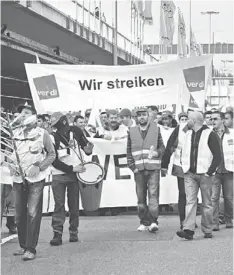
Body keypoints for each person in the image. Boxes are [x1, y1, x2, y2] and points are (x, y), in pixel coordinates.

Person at [9, 104, 55, 261]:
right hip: (17, 179)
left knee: (32, 213)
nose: (23, 115)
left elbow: (51, 154)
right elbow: (9, 154)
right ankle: (23, 246)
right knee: (19, 214)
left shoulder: (43, 134)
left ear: (34, 117)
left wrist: (39, 166)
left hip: (35, 180)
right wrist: (10, 165)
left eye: (27, 113)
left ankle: (31, 248)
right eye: (21, 112)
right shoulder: (14, 133)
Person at [49, 114, 93, 246]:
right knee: (59, 205)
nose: (56, 129)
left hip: (74, 175)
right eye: (54, 126)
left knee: (74, 204)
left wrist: (89, 150)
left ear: (63, 121)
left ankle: (74, 232)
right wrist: (71, 168)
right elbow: (54, 160)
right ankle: (57, 233)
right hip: (59, 174)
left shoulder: (76, 131)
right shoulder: (51, 137)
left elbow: (86, 148)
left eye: (57, 125)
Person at [177, 111, 222, 240]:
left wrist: (209, 172)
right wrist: (184, 165)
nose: (187, 121)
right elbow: (183, 151)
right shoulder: (188, 134)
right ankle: (188, 230)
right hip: (190, 173)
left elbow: (218, 155)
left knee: (207, 203)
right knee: (190, 202)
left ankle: (207, 229)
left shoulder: (210, 134)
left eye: (189, 119)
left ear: (195, 120)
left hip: (205, 174)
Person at [127, 107, 165, 232]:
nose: (142, 117)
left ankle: (153, 221)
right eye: (140, 115)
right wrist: (133, 167)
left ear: (148, 116)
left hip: (153, 168)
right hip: (139, 170)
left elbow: (162, 148)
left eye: (144, 115)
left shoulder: (156, 129)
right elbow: (128, 151)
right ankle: (144, 221)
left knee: (153, 196)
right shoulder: (131, 131)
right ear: (136, 118)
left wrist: (157, 153)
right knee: (141, 198)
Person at [161, 112, 189, 229]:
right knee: (183, 193)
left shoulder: (197, 129)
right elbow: (169, 147)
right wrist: (164, 165)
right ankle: (183, 220)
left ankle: (190, 218)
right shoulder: (178, 130)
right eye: (182, 119)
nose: (184, 121)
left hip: (194, 167)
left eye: (186, 118)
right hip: (180, 166)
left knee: (191, 195)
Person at [211, 111, 233, 230]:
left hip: (229, 170)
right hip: (214, 171)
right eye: (211, 119)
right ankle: (215, 222)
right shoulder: (209, 134)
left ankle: (229, 218)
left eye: (215, 119)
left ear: (222, 120)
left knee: (228, 197)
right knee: (214, 197)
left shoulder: (232, 134)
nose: (212, 121)